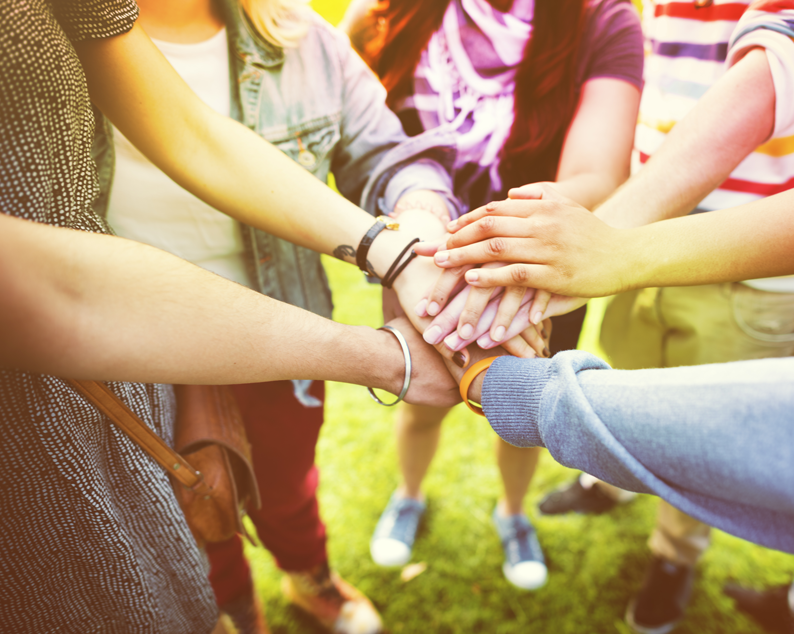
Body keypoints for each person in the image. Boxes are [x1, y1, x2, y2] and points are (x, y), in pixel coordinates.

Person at [420, 0, 794, 626]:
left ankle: (674, 555)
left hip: (756, 253)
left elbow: (775, 69)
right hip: (643, 224)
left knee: (706, 430)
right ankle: (606, 485)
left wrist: (611, 239)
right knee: (631, 372)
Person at [0, 1, 465, 631]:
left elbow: (381, 154)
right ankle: (237, 611)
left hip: (281, 334)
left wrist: (413, 236)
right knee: (191, 500)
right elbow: (61, 289)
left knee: (288, 488)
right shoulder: (52, 38)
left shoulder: (301, 37)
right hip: (130, 353)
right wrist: (389, 350)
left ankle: (310, 581)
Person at [432, 156, 794, 630]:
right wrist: (620, 246)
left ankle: (674, 558)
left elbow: (749, 433)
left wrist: (495, 383)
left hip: (760, 267)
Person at [341, 0, 643, 590]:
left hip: (531, 271)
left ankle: (513, 511)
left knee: (523, 408)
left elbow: (598, 174)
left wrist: (474, 254)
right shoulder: (389, 9)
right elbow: (355, 125)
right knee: (424, 399)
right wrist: (431, 252)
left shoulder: (602, 19)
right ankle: (408, 495)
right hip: (421, 260)